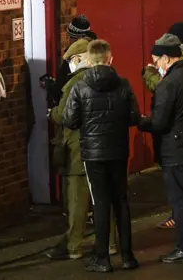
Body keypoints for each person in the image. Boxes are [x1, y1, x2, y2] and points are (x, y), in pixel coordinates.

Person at [63, 40, 141, 273]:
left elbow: (69, 120)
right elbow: (134, 117)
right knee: (121, 201)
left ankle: (102, 258)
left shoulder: (80, 86)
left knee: (100, 203)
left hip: (93, 153)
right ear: (110, 58)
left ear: (88, 59)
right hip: (118, 150)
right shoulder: (124, 85)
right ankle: (127, 256)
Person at [138, 34, 183, 263]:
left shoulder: (169, 83)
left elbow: (159, 122)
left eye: (156, 61)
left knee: (181, 202)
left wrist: (139, 120)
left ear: (166, 58)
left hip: (175, 150)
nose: (155, 66)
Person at [46, 39, 117, 261]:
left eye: (70, 60)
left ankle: (74, 246)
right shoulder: (115, 80)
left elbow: (65, 116)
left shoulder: (76, 83)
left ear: (78, 59)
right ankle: (110, 243)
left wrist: (52, 111)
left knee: (77, 202)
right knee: (104, 199)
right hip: (107, 149)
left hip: (79, 150)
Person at [58, 15, 92, 88]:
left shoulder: (72, 59)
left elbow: (61, 86)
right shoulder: (98, 52)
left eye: (70, 36)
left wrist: (50, 86)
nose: (69, 39)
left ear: (78, 39)